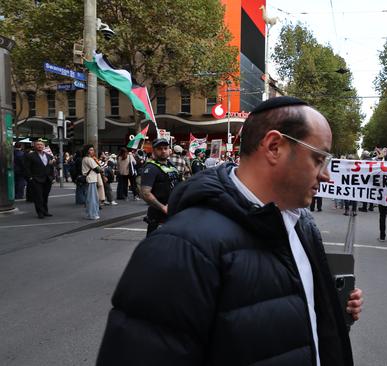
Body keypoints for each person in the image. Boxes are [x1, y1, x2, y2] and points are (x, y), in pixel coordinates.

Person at [96, 96, 363, 366]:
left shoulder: (302, 224)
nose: (326, 175)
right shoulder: (179, 248)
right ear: (274, 147)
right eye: (319, 159)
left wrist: (332, 313)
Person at [140, 138, 181, 236]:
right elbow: (145, 193)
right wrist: (163, 207)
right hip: (158, 217)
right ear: (154, 151)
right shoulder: (150, 168)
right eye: (159, 149)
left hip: (174, 214)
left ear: (169, 150)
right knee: (155, 247)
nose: (163, 151)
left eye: (165, 148)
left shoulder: (171, 165)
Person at [23, 139, 55, 218]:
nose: (40, 146)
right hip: (36, 179)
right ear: (34, 146)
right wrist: (30, 178)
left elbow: (52, 168)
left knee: (45, 196)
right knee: (38, 197)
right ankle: (40, 212)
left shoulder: (49, 156)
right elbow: (26, 168)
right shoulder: (30, 156)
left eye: (41, 145)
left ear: (44, 146)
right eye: (38, 144)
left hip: (47, 179)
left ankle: (45, 211)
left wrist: (52, 177)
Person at [81, 144, 102, 220]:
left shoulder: (85, 158)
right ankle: (92, 214)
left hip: (90, 179)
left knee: (91, 198)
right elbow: (98, 169)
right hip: (91, 180)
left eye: (93, 150)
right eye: (90, 150)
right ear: (87, 151)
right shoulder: (89, 159)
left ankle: (91, 213)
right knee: (92, 198)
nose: (92, 151)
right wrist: (99, 163)